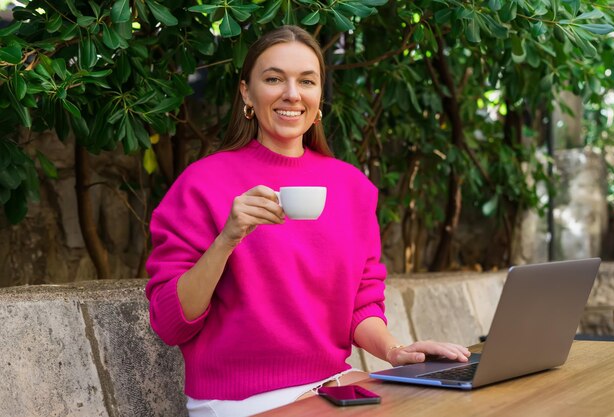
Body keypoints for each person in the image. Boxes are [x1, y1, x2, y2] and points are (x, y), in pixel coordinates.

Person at [145, 25, 470, 417]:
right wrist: (227, 239)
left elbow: (362, 304)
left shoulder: (352, 187)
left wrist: (394, 351)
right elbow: (169, 324)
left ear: (319, 98)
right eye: (273, 79)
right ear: (247, 92)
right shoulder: (201, 184)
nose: (292, 94)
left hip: (334, 386)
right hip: (242, 400)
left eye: (307, 81)